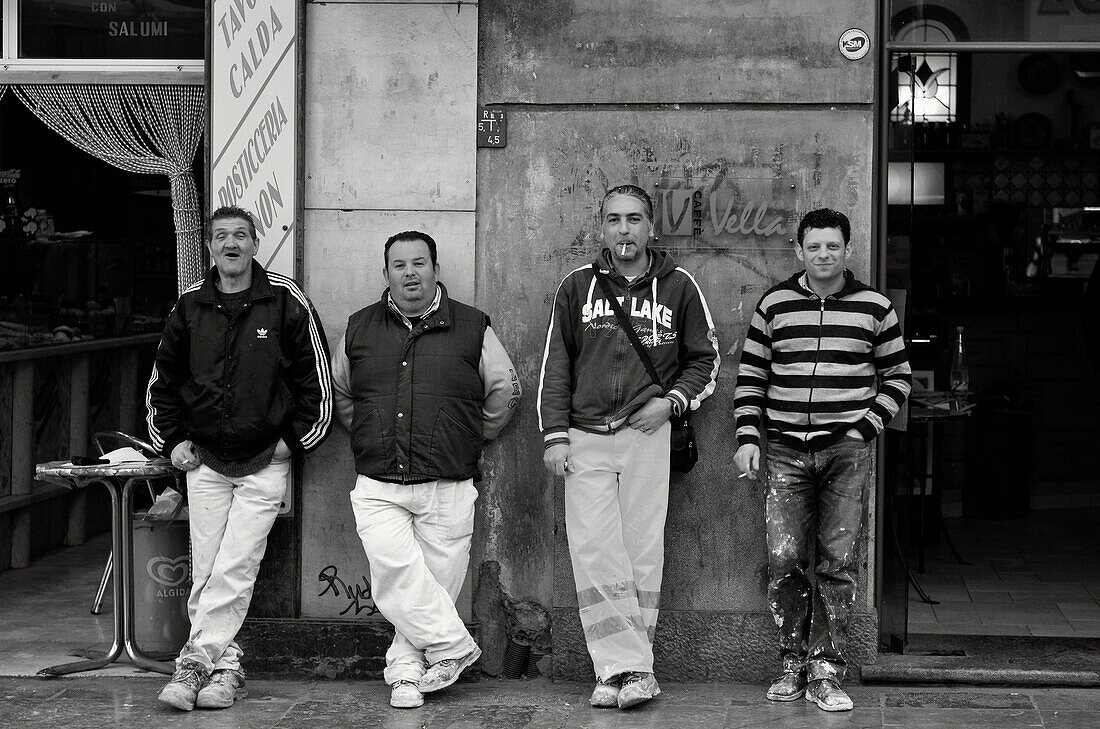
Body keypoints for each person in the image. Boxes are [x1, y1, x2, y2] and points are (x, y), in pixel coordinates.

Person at [537, 184, 720, 710]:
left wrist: (673, 403)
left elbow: (704, 360)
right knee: (593, 550)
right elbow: (556, 368)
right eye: (614, 219)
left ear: (651, 228)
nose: (624, 229)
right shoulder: (575, 287)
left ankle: (627, 673)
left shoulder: (680, 286)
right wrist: (555, 436)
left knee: (642, 551)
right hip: (585, 434)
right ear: (602, 227)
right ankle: (626, 667)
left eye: (634, 219)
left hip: (648, 433)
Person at [146, 205, 334, 711]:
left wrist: (288, 444)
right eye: (221, 236)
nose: (231, 244)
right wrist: (172, 442)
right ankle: (225, 672)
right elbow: (160, 387)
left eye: (241, 236)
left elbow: (316, 388)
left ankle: (191, 667)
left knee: (236, 565)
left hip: (264, 461)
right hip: (204, 462)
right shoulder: (188, 308)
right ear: (209, 247)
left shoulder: (286, 302)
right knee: (208, 569)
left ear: (255, 243)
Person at [331, 231, 521, 709]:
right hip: (378, 481)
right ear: (386, 273)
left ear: (436, 270)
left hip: (448, 482)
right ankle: (455, 648)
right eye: (399, 265)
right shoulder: (358, 327)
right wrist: (370, 430)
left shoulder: (473, 326)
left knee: (431, 588)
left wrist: (470, 434)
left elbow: (504, 390)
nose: (409, 272)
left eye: (419, 263)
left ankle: (405, 675)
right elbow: (340, 395)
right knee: (396, 577)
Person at [732, 208, 911, 712]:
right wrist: (749, 436)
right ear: (799, 251)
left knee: (838, 563)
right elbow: (751, 378)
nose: (824, 255)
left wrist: (863, 428)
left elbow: (898, 377)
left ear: (847, 250)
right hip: (785, 451)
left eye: (833, 246)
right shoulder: (775, 304)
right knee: (784, 560)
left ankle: (826, 669)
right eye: (814, 247)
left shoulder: (875, 307)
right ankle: (792, 662)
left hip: (846, 454)